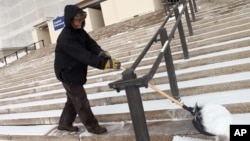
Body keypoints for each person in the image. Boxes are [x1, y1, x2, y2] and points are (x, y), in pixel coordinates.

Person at [54, 5, 121, 134]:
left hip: (75, 70)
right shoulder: (65, 38)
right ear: (70, 20)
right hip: (67, 72)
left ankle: (64, 123)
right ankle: (92, 126)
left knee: (72, 99)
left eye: (81, 19)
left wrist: (100, 52)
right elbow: (84, 55)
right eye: (77, 20)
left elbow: (90, 44)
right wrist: (104, 64)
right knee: (80, 100)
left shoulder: (79, 31)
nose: (80, 22)